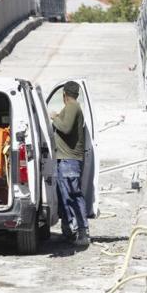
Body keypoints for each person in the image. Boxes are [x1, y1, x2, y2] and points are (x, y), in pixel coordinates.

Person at [52, 81, 89, 247]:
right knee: (64, 197)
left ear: (64, 94)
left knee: (73, 195)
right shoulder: (71, 108)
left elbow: (65, 128)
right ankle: (68, 232)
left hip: (70, 160)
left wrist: (54, 118)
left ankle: (82, 231)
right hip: (65, 160)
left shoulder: (72, 106)